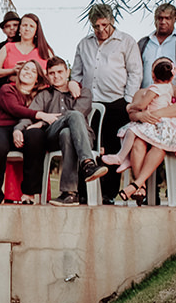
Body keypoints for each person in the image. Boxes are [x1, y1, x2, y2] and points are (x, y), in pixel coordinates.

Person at [72, 3, 143, 203]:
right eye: (96, 26)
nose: (101, 30)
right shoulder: (83, 44)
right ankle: (83, 193)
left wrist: (128, 101)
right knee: (86, 144)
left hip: (116, 101)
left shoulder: (126, 41)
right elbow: (76, 72)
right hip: (90, 103)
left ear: (112, 21)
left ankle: (108, 194)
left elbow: (135, 72)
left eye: (105, 25)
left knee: (112, 148)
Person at [14, 57, 108, 206]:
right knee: (66, 126)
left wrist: (43, 121)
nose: (56, 76)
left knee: (69, 129)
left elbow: (77, 114)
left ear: (67, 72)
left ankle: (69, 194)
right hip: (53, 137)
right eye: (51, 73)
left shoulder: (83, 92)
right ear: (48, 76)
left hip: (83, 137)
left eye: (59, 72)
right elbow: (29, 115)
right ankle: (88, 164)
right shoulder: (44, 95)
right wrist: (18, 129)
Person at [102, 57, 176, 205]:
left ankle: (137, 184)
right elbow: (133, 115)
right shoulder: (143, 91)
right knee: (137, 143)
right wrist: (140, 116)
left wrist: (149, 115)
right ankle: (140, 188)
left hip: (166, 135)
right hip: (147, 131)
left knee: (158, 145)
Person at [0, 60, 59, 204]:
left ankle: (29, 194)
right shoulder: (7, 89)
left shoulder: (41, 95)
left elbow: (58, 86)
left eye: (32, 71)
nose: (27, 72)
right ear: (18, 73)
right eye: (25, 69)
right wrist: (41, 115)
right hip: (3, 128)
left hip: (27, 129)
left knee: (37, 136)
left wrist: (21, 129)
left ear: (37, 78)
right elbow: (15, 108)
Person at [138, 3, 176, 89]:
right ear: (155, 19)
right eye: (160, 18)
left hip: (174, 96)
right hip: (146, 96)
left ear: (174, 19)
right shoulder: (143, 43)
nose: (163, 22)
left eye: (167, 18)